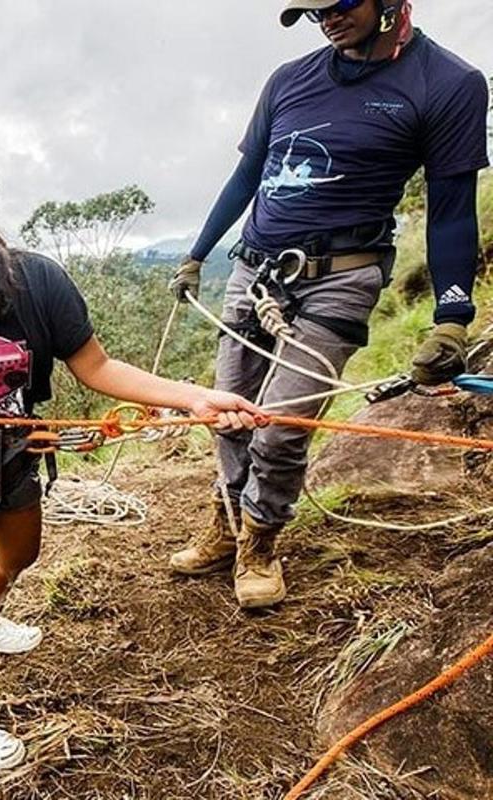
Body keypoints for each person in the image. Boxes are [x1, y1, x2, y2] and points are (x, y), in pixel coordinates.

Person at [0, 135, 263, 770]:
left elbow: (99, 367)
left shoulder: (41, 286)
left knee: (21, 555)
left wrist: (195, 397)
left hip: (16, 448)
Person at [169, 0, 489, 609]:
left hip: (342, 275)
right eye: (312, 13)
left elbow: (451, 211)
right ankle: (229, 520)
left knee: (283, 426)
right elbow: (247, 177)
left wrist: (452, 316)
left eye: (339, 6)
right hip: (254, 270)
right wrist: (196, 253)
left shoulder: (447, 84)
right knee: (227, 411)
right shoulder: (289, 80)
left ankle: (260, 541)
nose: (327, 21)